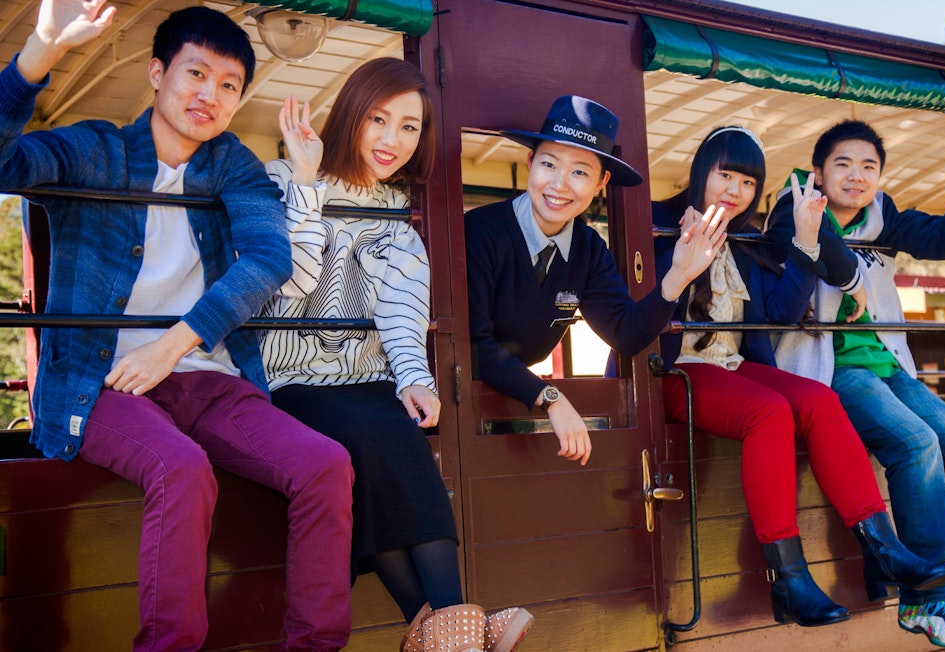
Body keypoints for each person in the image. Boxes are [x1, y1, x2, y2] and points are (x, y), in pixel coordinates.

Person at [0, 2, 355, 650]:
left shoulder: (232, 165)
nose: (210, 96)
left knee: (325, 463)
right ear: (157, 72)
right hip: (101, 384)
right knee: (182, 468)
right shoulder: (94, 150)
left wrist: (174, 345)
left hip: (207, 379)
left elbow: (270, 257)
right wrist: (39, 56)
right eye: (196, 74)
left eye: (228, 86)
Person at [260, 58, 530, 652]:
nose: (393, 140)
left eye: (409, 127)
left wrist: (415, 379)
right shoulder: (278, 179)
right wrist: (306, 183)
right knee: (370, 438)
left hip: (366, 381)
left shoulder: (396, 213)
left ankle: (443, 633)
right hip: (291, 378)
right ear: (351, 113)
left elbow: (402, 314)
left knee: (401, 444)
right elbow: (291, 284)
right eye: (379, 119)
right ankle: (461, 630)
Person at [654, 126, 945, 627]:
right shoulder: (658, 223)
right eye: (724, 176)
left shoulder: (746, 237)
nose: (735, 191)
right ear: (700, 172)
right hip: (674, 370)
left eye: (748, 183)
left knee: (817, 398)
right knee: (769, 411)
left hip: (732, 365)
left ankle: (883, 547)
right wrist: (683, 263)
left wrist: (804, 241)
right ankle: (790, 580)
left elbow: (778, 314)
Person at [765, 119, 945, 647]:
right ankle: (927, 601)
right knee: (918, 445)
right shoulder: (796, 202)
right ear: (819, 170)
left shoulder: (881, 215)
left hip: (890, 367)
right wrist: (851, 280)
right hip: (830, 371)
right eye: (842, 164)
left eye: (869, 166)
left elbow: (941, 238)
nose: (856, 176)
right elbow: (824, 249)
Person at [466, 95, 727, 467]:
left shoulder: (588, 248)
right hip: (452, 398)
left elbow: (626, 334)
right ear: (530, 162)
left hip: (514, 402)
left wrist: (678, 276)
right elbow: (473, 345)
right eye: (548, 164)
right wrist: (550, 397)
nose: (559, 184)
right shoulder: (480, 232)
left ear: (601, 181)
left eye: (579, 172)